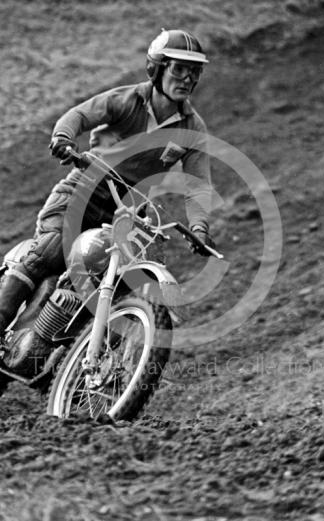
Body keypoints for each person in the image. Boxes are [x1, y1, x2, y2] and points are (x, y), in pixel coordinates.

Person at [0, 28, 214, 343]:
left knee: (114, 284)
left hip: (126, 213)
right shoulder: (126, 100)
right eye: (179, 69)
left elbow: (198, 185)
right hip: (82, 191)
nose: (187, 79)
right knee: (49, 253)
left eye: (193, 72)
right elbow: (79, 115)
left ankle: (68, 361)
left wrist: (199, 228)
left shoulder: (193, 129)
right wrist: (63, 137)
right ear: (156, 68)